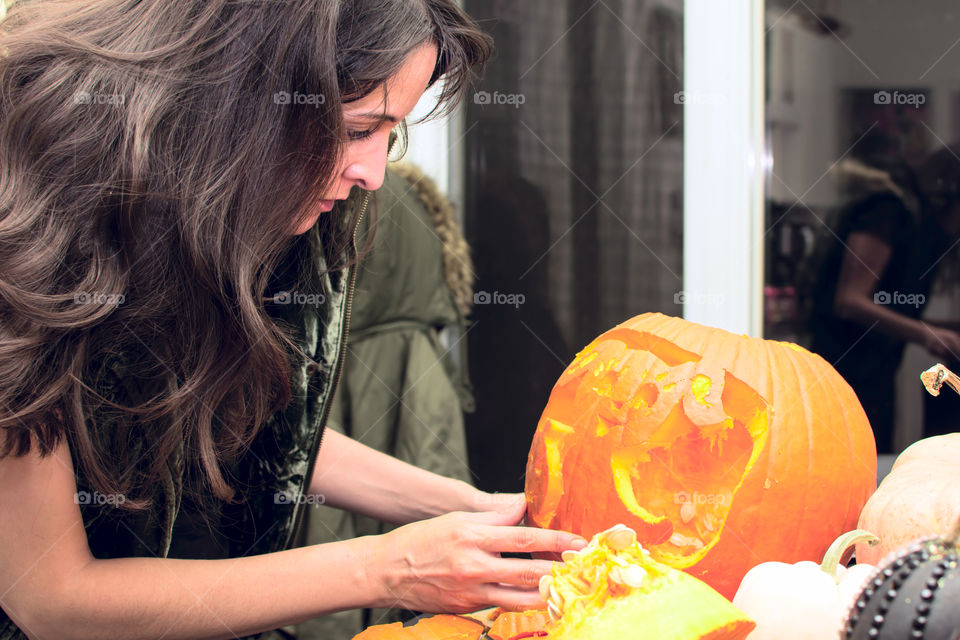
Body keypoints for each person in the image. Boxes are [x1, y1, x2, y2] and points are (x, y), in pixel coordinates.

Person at [0, 2, 587, 639]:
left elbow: (258, 426)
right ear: (242, 94)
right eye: (360, 127)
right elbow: (52, 598)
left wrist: (476, 510)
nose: (372, 174)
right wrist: (391, 568)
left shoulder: (232, 206)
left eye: (389, 135)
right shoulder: (28, 218)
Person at [297, 162, 478, 639]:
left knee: (331, 539)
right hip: (414, 376)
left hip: (348, 374)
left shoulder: (349, 198)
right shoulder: (405, 202)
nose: (370, 167)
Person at [809, 143, 960, 454]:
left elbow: (886, 308)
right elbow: (850, 300)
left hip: (876, 374)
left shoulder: (918, 223)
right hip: (843, 373)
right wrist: (926, 334)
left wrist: (941, 328)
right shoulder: (887, 213)